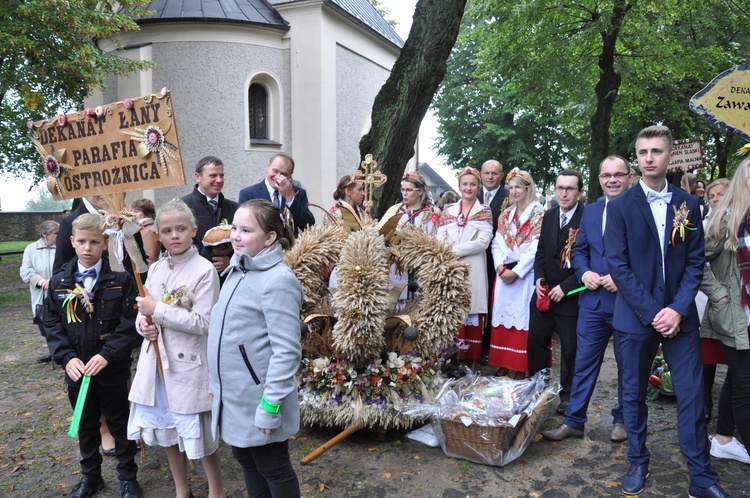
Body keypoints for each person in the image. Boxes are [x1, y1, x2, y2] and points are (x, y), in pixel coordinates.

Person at [604, 125, 727, 497]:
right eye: (643, 152)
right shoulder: (621, 205)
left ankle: (701, 475)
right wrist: (654, 311)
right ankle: (638, 459)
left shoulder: (687, 204)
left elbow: (694, 263)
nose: (649, 158)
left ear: (669, 157)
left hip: (681, 316)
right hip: (635, 317)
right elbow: (618, 265)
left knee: (692, 395)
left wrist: (675, 309)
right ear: (637, 158)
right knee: (632, 391)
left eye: (656, 151)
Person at [127, 199, 223, 498]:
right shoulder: (155, 270)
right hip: (156, 364)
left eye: (181, 229)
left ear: (193, 230)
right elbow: (144, 314)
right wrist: (144, 326)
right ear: (158, 235)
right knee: (168, 430)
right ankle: (182, 490)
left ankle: (216, 490)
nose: (174, 235)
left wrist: (159, 312)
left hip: (187, 364)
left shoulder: (204, 270)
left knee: (200, 434)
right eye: (167, 231)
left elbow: (204, 322)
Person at [44, 213, 143, 498]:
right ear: (73, 242)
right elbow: (51, 323)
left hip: (110, 369)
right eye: (82, 241)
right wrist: (66, 357)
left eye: (95, 242)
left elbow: (130, 324)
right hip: (77, 369)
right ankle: (91, 477)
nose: (88, 248)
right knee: (86, 424)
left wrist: (109, 354)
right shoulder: (59, 282)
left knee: (118, 422)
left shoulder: (121, 281)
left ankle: (128, 478)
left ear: (104, 243)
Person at [208, 199, 303, 497]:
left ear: (270, 237)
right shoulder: (238, 269)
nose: (235, 235)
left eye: (246, 230)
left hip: (259, 399)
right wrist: (216, 385)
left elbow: (287, 351)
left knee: (273, 467)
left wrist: (270, 405)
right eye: (234, 227)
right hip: (234, 396)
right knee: (247, 462)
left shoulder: (278, 281)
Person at [541, 156, 632, 443]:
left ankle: (623, 420)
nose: (612, 180)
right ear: (599, 180)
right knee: (582, 364)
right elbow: (579, 251)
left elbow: (649, 256)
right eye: (606, 175)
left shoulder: (640, 209)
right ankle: (574, 421)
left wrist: (624, 278)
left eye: (619, 175)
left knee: (628, 366)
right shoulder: (591, 212)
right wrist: (584, 273)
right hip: (592, 303)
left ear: (630, 177)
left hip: (627, 303)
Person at [701, 162, 750, 465]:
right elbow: (694, 261)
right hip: (736, 314)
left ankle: (722, 439)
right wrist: (718, 292)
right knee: (746, 386)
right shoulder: (727, 220)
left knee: (736, 378)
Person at [528, 169, 585, 413]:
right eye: (560, 188)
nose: (564, 193)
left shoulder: (587, 217)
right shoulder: (549, 215)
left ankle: (568, 397)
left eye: (570, 188)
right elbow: (541, 252)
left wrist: (566, 287)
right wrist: (539, 279)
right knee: (536, 342)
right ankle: (537, 389)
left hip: (571, 295)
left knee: (570, 348)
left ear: (580, 192)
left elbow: (589, 259)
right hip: (544, 292)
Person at [488, 168, 545, 377]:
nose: (514, 191)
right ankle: (503, 360)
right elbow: (497, 243)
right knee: (503, 314)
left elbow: (537, 247)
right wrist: (500, 267)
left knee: (524, 317)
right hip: (505, 271)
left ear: (528, 188)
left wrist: (517, 271)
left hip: (525, 273)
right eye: (511, 187)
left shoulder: (539, 214)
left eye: (518, 187)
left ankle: (520, 363)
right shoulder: (505, 214)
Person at [437, 167, 493, 368]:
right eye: (464, 184)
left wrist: (453, 251)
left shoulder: (484, 211)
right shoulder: (449, 211)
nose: (468, 188)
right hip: (450, 270)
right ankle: (449, 362)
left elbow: (482, 242)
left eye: (472, 184)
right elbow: (439, 238)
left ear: (478, 187)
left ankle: (470, 363)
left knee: (471, 311)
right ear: (459, 186)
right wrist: (447, 253)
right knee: (450, 310)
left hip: (473, 269)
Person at [700, 178, 730, 422]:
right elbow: (697, 259)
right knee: (707, 352)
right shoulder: (704, 224)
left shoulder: (736, 221)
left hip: (731, 296)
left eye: (721, 194)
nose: (716, 200)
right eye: (712, 196)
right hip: (709, 295)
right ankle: (705, 400)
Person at [181, 156, 239, 277]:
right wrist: (209, 254)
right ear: (198, 177)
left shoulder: (235, 209)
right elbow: (177, 244)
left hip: (226, 279)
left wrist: (231, 261)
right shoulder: (182, 207)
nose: (219, 180)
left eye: (221, 176)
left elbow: (244, 243)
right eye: (213, 176)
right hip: (193, 277)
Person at [238, 153, 315, 236]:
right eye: (275, 171)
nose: (277, 176)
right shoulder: (248, 194)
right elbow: (243, 227)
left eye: (283, 174)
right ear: (268, 166)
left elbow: (309, 226)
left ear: (290, 175)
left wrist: (290, 198)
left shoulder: (298, 193)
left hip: (290, 247)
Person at [479, 160, 510, 363]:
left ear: (501, 176)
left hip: (497, 259)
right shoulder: (471, 192)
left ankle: (488, 346)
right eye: (486, 173)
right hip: (474, 258)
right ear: (481, 174)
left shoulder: (508, 197)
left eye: (494, 173)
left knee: (492, 302)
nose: (490, 177)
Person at [19, 220, 59, 363]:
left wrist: (55, 281)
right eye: (55, 233)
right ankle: (53, 352)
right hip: (41, 293)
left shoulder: (62, 247)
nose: (58, 236)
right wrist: (41, 281)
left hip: (58, 290)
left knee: (61, 321)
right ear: (44, 234)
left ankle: (62, 351)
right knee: (44, 323)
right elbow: (25, 271)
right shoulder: (31, 249)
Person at [129, 199, 160, 266]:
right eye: (131, 211)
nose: (132, 214)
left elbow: (150, 259)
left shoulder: (149, 230)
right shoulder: (138, 229)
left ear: (147, 214)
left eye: (136, 211)